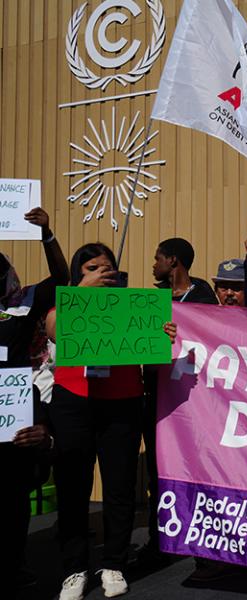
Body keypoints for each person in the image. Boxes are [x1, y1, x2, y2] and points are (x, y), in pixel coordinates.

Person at [46, 243, 173, 600]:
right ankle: (74, 569)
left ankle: (114, 562)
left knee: (119, 487)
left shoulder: (133, 305)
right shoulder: (66, 300)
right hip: (73, 402)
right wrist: (80, 292)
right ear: (78, 274)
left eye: (107, 268)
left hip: (123, 401)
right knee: (73, 486)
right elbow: (54, 330)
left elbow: (156, 340)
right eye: (91, 268)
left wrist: (165, 335)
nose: (101, 273)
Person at [139, 238, 218, 571]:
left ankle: (202, 540)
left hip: (193, 400)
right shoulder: (151, 300)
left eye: (157, 258)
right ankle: (162, 541)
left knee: (196, 468)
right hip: (156, 397)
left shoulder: (203, 298)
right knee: (159, 470)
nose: (153, 264)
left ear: (173, 261)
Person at [0, 208, 67, 591]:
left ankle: (14, 563)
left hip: (12, 410)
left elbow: (61, 278)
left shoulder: (23, 302)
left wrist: (46, 233)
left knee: (13, 494)